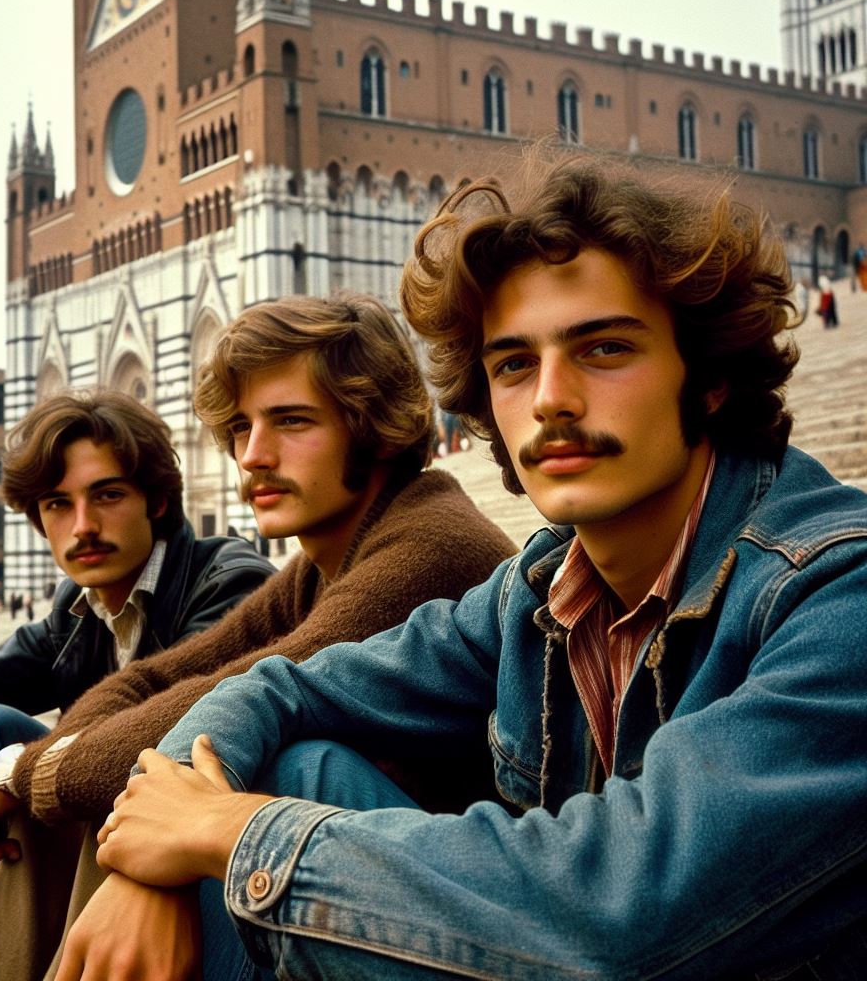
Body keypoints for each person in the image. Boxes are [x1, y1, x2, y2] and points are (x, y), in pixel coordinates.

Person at [54, 149, 867, 981]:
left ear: (712, 378)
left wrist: (220, 833)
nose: (550, 397)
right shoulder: (536, 593)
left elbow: (621, 914)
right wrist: (150, 855)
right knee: (294, 764)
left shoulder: (840, 593)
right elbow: (276, 685)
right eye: (513, 364)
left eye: (605, 350)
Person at [0, 294, 516, 981]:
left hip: (438, 921)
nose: (253, 456)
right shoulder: (320, 562)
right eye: (240, 427)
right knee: (107, 785)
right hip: (348, 886)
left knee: (240, 767)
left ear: (373, 428)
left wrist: (20, 773)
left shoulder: (428, 545)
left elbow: (230, 700)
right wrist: (36, 773)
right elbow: (144, 684)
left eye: (292, 422)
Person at [0, 389, 275, 981]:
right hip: (91, 816)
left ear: (155, 499)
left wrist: (5, 777)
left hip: (183, 852)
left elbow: (172, 724)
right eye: (56, 504)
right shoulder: (77, 604)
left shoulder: (227, 581)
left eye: (107, 495)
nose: (84, 527)